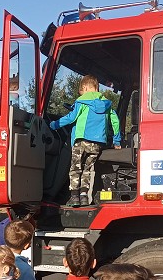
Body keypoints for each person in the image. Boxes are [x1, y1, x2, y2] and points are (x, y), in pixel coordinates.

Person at [49, 75, 120, 207]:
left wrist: (54, 125)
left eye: (81, 91)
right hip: (97, 144)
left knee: (75, 168)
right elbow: (115, 122)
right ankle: (83, 197)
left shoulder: (82, 101)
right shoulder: (106, 104)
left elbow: (71, 118)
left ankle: (74, 196)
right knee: (88, 169)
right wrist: (117, 140)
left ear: (85, 87)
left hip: (81, 141)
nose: (80, 94)